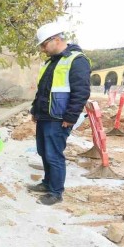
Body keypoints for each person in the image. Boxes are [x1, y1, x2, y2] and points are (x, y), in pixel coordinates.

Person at [28, 21, 91, 205]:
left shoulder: (77, 60)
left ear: (55, 39)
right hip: (45, 116)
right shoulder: (52, 62)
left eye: (44, 44)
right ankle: (47, 183)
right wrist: (35, 109)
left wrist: (71, 117)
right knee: (43, 151)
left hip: (59, 118)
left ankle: (56, 192)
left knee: (54, 155)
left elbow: (81, 92)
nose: (42, 49)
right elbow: (43, 90)